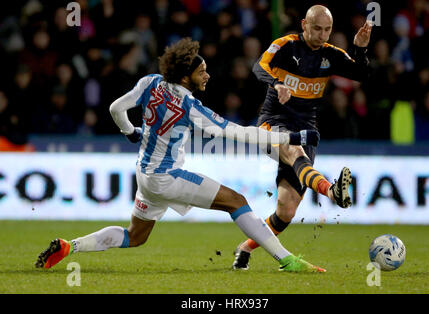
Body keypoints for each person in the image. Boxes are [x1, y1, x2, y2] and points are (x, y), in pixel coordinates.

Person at [35, 38, 326, 273]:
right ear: (186, 76)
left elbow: (115, 109)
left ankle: (68, 246)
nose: (207, 75)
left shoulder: (150, 82)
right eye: (202, 72)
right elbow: (240, 133)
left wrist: (130, 132)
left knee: (135, 236)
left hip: (145, 175)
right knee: (237, 202)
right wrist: (292, 137)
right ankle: (287, 261)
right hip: (167, 177)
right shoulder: (189, 106)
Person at [232, 5, 372, 270]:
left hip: (305, 127)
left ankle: (244, 249)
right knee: (294, 150)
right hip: (273, 121)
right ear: (304, 24)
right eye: (317, 28)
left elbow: (362, 74)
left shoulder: (331, 54)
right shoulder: (286, 45)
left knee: (286, 211)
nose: (322, 35)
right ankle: (331, 191)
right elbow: (258, 66)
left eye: (327, 30)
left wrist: (361, 48)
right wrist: (277, 84)